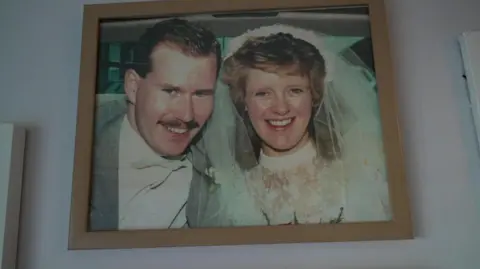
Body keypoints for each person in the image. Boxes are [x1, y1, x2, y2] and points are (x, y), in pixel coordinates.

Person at [195, 24, 392, 227]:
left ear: (314, 96)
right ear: (243, 101)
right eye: (263, 93)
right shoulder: (229, 194)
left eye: (294, 91)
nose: (281, 108)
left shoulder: (360, 171)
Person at [90, 18, 221, 231]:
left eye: (201, 94)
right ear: (133, 87)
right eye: (171, 91)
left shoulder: (218, 161)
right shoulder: (79, 151)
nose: (187, 115)